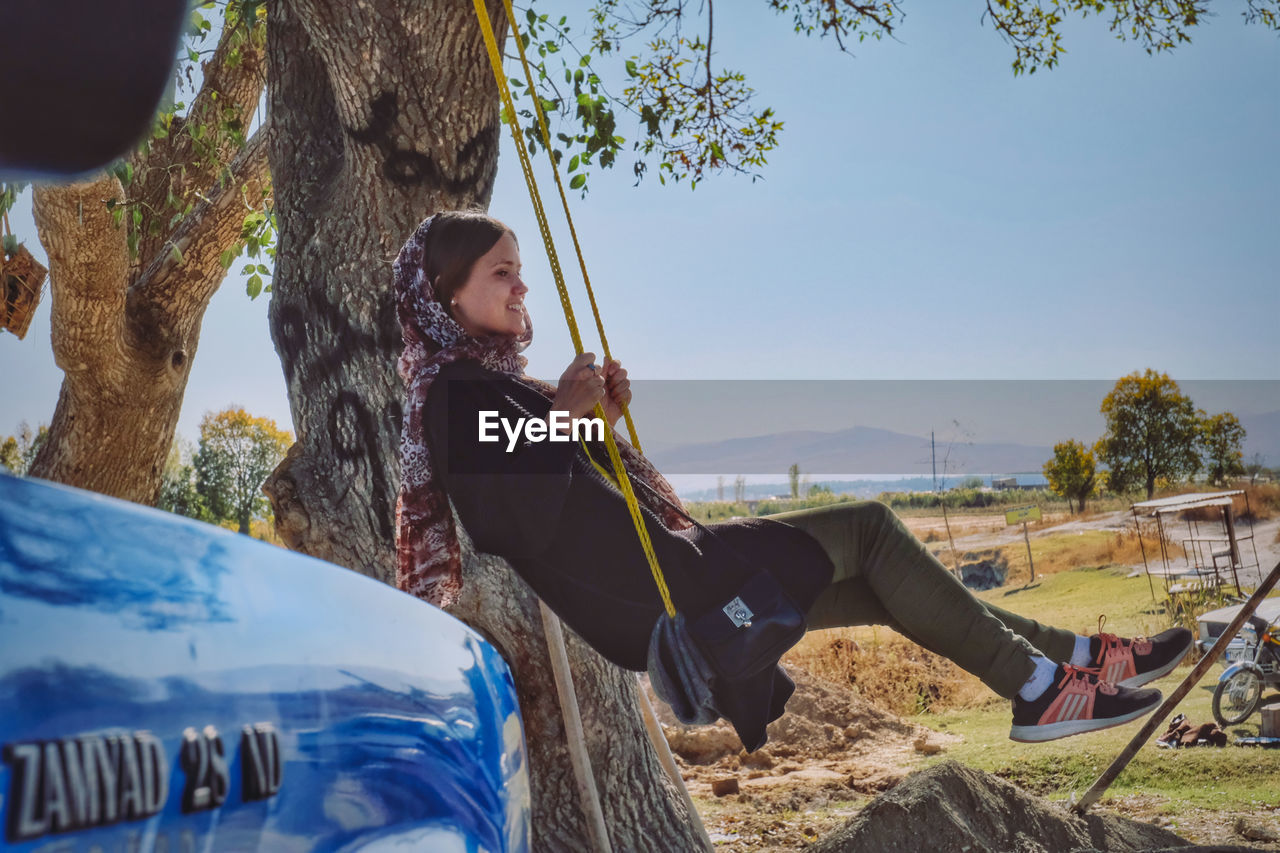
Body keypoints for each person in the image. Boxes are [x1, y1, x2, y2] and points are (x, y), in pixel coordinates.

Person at [393, 210, 1192, 749]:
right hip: (666, 589)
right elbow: (511, 520)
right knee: (870, 529)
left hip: (668, 580)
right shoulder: (456, 397)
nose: (523, 286)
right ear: (445, 293)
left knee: (884, 581)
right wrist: (568, 418)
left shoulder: (488, 386)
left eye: (521, 271)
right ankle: (1044, 686)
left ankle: (1081, 661)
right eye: (503, 273)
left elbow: (558, 480)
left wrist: (589, 419)